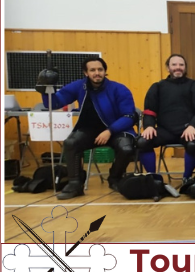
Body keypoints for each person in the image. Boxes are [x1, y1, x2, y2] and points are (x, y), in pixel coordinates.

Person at [40, 57, 137, 199]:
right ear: (86, 73)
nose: (97, 73)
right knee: (71, 143)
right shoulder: (79, 86)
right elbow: (53, 104)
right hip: (89, 131)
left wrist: (109, 131)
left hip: (117, 130)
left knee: (127, 149)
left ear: (105, 71)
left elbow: (129, 116)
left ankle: (115, 178)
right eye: (92, 70)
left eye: (100, 69)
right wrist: (46, 88)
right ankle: (75, 184)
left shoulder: (119, 89)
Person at [138, 54, 195, 184]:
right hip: (164, 131)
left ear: (185, 67)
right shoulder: (157, 87)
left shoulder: (194, 86)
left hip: (188, 130)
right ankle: (153, 179)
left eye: (181, 65)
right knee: (143, 142)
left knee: (194, 144)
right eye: (174, 65)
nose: (178, 68)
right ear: (168, 67)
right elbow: (149, 111)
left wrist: (193, 126)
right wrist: (148, 126)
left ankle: (186, 178)